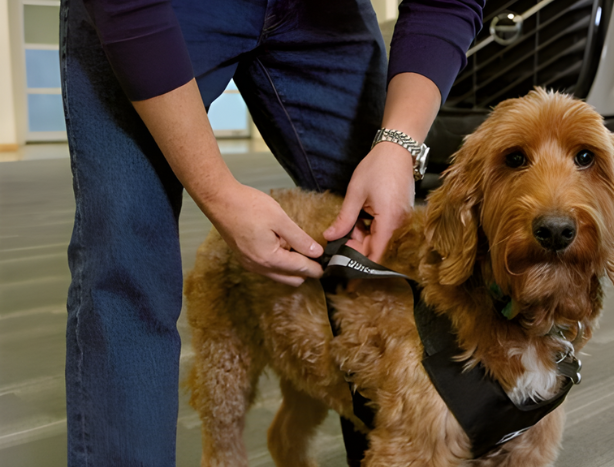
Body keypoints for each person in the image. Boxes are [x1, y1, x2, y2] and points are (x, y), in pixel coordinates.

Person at [60, 0, 483, 464]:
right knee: (125, 252)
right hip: (156, 9)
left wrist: (398, 146)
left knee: (377, 238)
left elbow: (447, 2)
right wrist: (218, 193)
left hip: (324, 15)